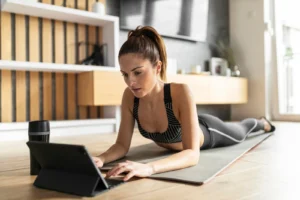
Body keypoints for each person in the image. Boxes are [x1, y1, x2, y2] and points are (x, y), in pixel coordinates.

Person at [92, 26, 276, 182]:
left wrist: (149, 168)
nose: (130, 82)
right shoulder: (129, 97)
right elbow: (121, 145)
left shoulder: (180, 92)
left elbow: (192, 153)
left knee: (242, 130)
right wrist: (101, 159)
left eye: (137, 72)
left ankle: (261, 122)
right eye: (124, 74)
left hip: (209, 131)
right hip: (189, 126)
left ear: (158, 67)